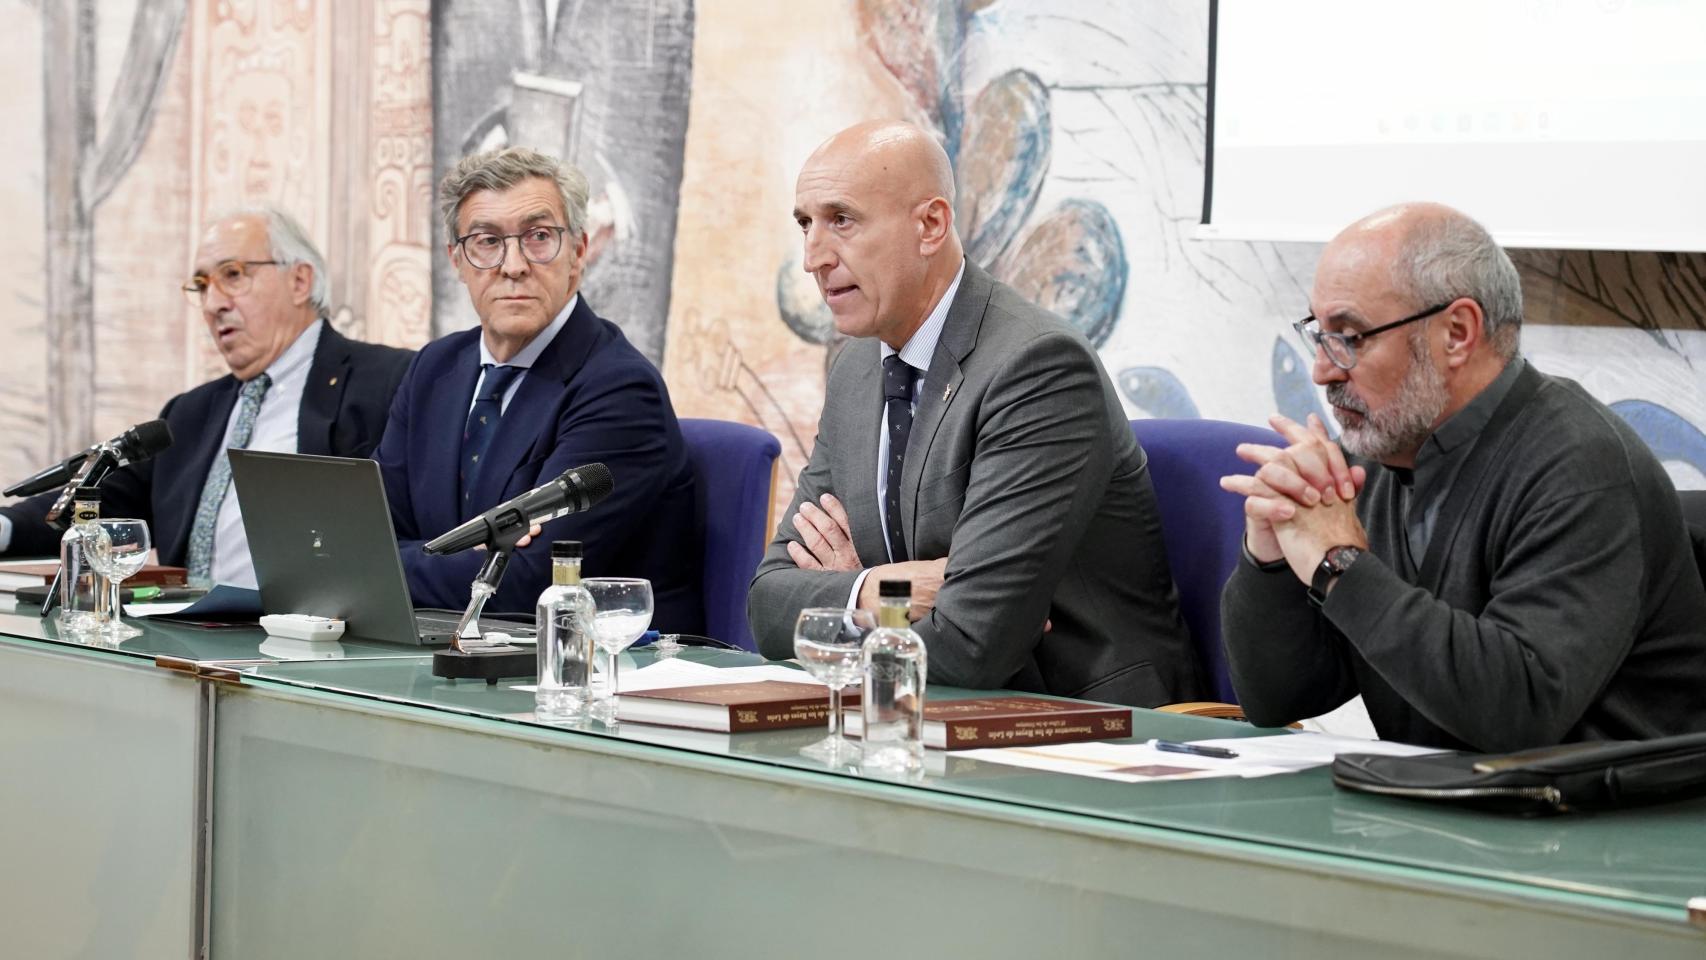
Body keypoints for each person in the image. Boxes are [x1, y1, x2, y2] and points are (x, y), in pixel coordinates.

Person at [1220, 202, 1706, 751]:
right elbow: (1279, 701)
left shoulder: (1580, 464)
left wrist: (1341, 566)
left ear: (1456, 332)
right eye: (1319, 333)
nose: (1322, 369)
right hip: (1443, 809)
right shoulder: (1375, 458)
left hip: (1607, 821)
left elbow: (1519, 713)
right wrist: (1272, 559)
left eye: (1350, 337)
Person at [747, 120, 1199, 706]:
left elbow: (969, 644)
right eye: (805, 223)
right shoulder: (858, 369)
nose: (813, 257)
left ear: (930, 225)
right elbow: (768, 605)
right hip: (930, 716)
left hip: (1084, 725)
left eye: (842, 220)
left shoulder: (1038, 368)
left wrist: (841, 596)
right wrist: (878, 588)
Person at [375, 147, 702, 628]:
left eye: (539, 237)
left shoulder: (621, 390)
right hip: (449, 647)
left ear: (578, 252)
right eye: (487, 241)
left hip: (601, 672)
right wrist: (463, 558)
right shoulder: (434, 368)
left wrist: (389, 568)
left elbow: (532, 583)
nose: (513, 265)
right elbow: (370, 540)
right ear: (457, 261)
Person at [0, 208, 412, 588]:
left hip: (317, 648)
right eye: (201, 286)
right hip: (189, 639)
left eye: (232, 275)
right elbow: (98, 498)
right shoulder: (190, 413)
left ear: (300, 281)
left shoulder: (389, 383)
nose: (214, 304)